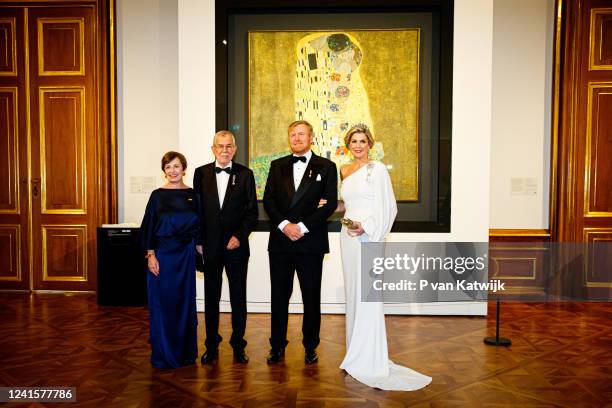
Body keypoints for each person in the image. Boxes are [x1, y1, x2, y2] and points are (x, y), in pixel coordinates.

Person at [337, 124, 431, 390]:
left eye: (362, 141)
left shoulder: (377, 170)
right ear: (348, 144)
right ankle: (354, 354)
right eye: (353, 141)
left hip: (368, 236)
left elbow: (388, 205)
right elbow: (349, 202)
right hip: (348, 239)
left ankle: (369, 358)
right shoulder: (344, 170)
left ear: (370, 144)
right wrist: (331, 206)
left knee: (368, 295)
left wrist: (365, 226)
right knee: (354, 295)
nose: (358, 145)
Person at [263, 120, 338, 364]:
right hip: (281, 242)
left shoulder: (327, 167)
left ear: (311, 137)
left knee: (311, 297)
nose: (296, 138)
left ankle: (310, 346)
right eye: (293, 134)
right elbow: (269, 201)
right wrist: (286, 226)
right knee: (278, 296)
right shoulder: (277, 166)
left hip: (310, 242)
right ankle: (277, 346)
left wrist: (302, 227)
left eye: (301, 134)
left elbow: (329, 204)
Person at [193, 130, 258, 364]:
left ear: (235, 148)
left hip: (236, 247)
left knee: (238, 298)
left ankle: (238, 345)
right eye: (220, 146)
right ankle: (211, 345)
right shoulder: (201, 174)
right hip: (209, 247)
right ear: (213, 149)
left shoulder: (245, 174)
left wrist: (239, 236)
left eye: (229, 146)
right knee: (211, 298)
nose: (224, 150)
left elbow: (252, 213)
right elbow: (197, 212)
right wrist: (198, 241)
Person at [140, 151, 201, 369]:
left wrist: (200, 249)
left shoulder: (194, 194)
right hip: (163, 256)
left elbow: (200, 226)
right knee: (163, 304)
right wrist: (151, 255)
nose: (173, 171)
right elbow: (148, 226)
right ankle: (164, 353)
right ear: (163, 171)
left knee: (184, 304)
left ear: (184, 168)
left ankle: (185, 353)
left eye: (176, 166)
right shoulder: (157, 195)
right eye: (168, 167)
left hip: (185, 256)